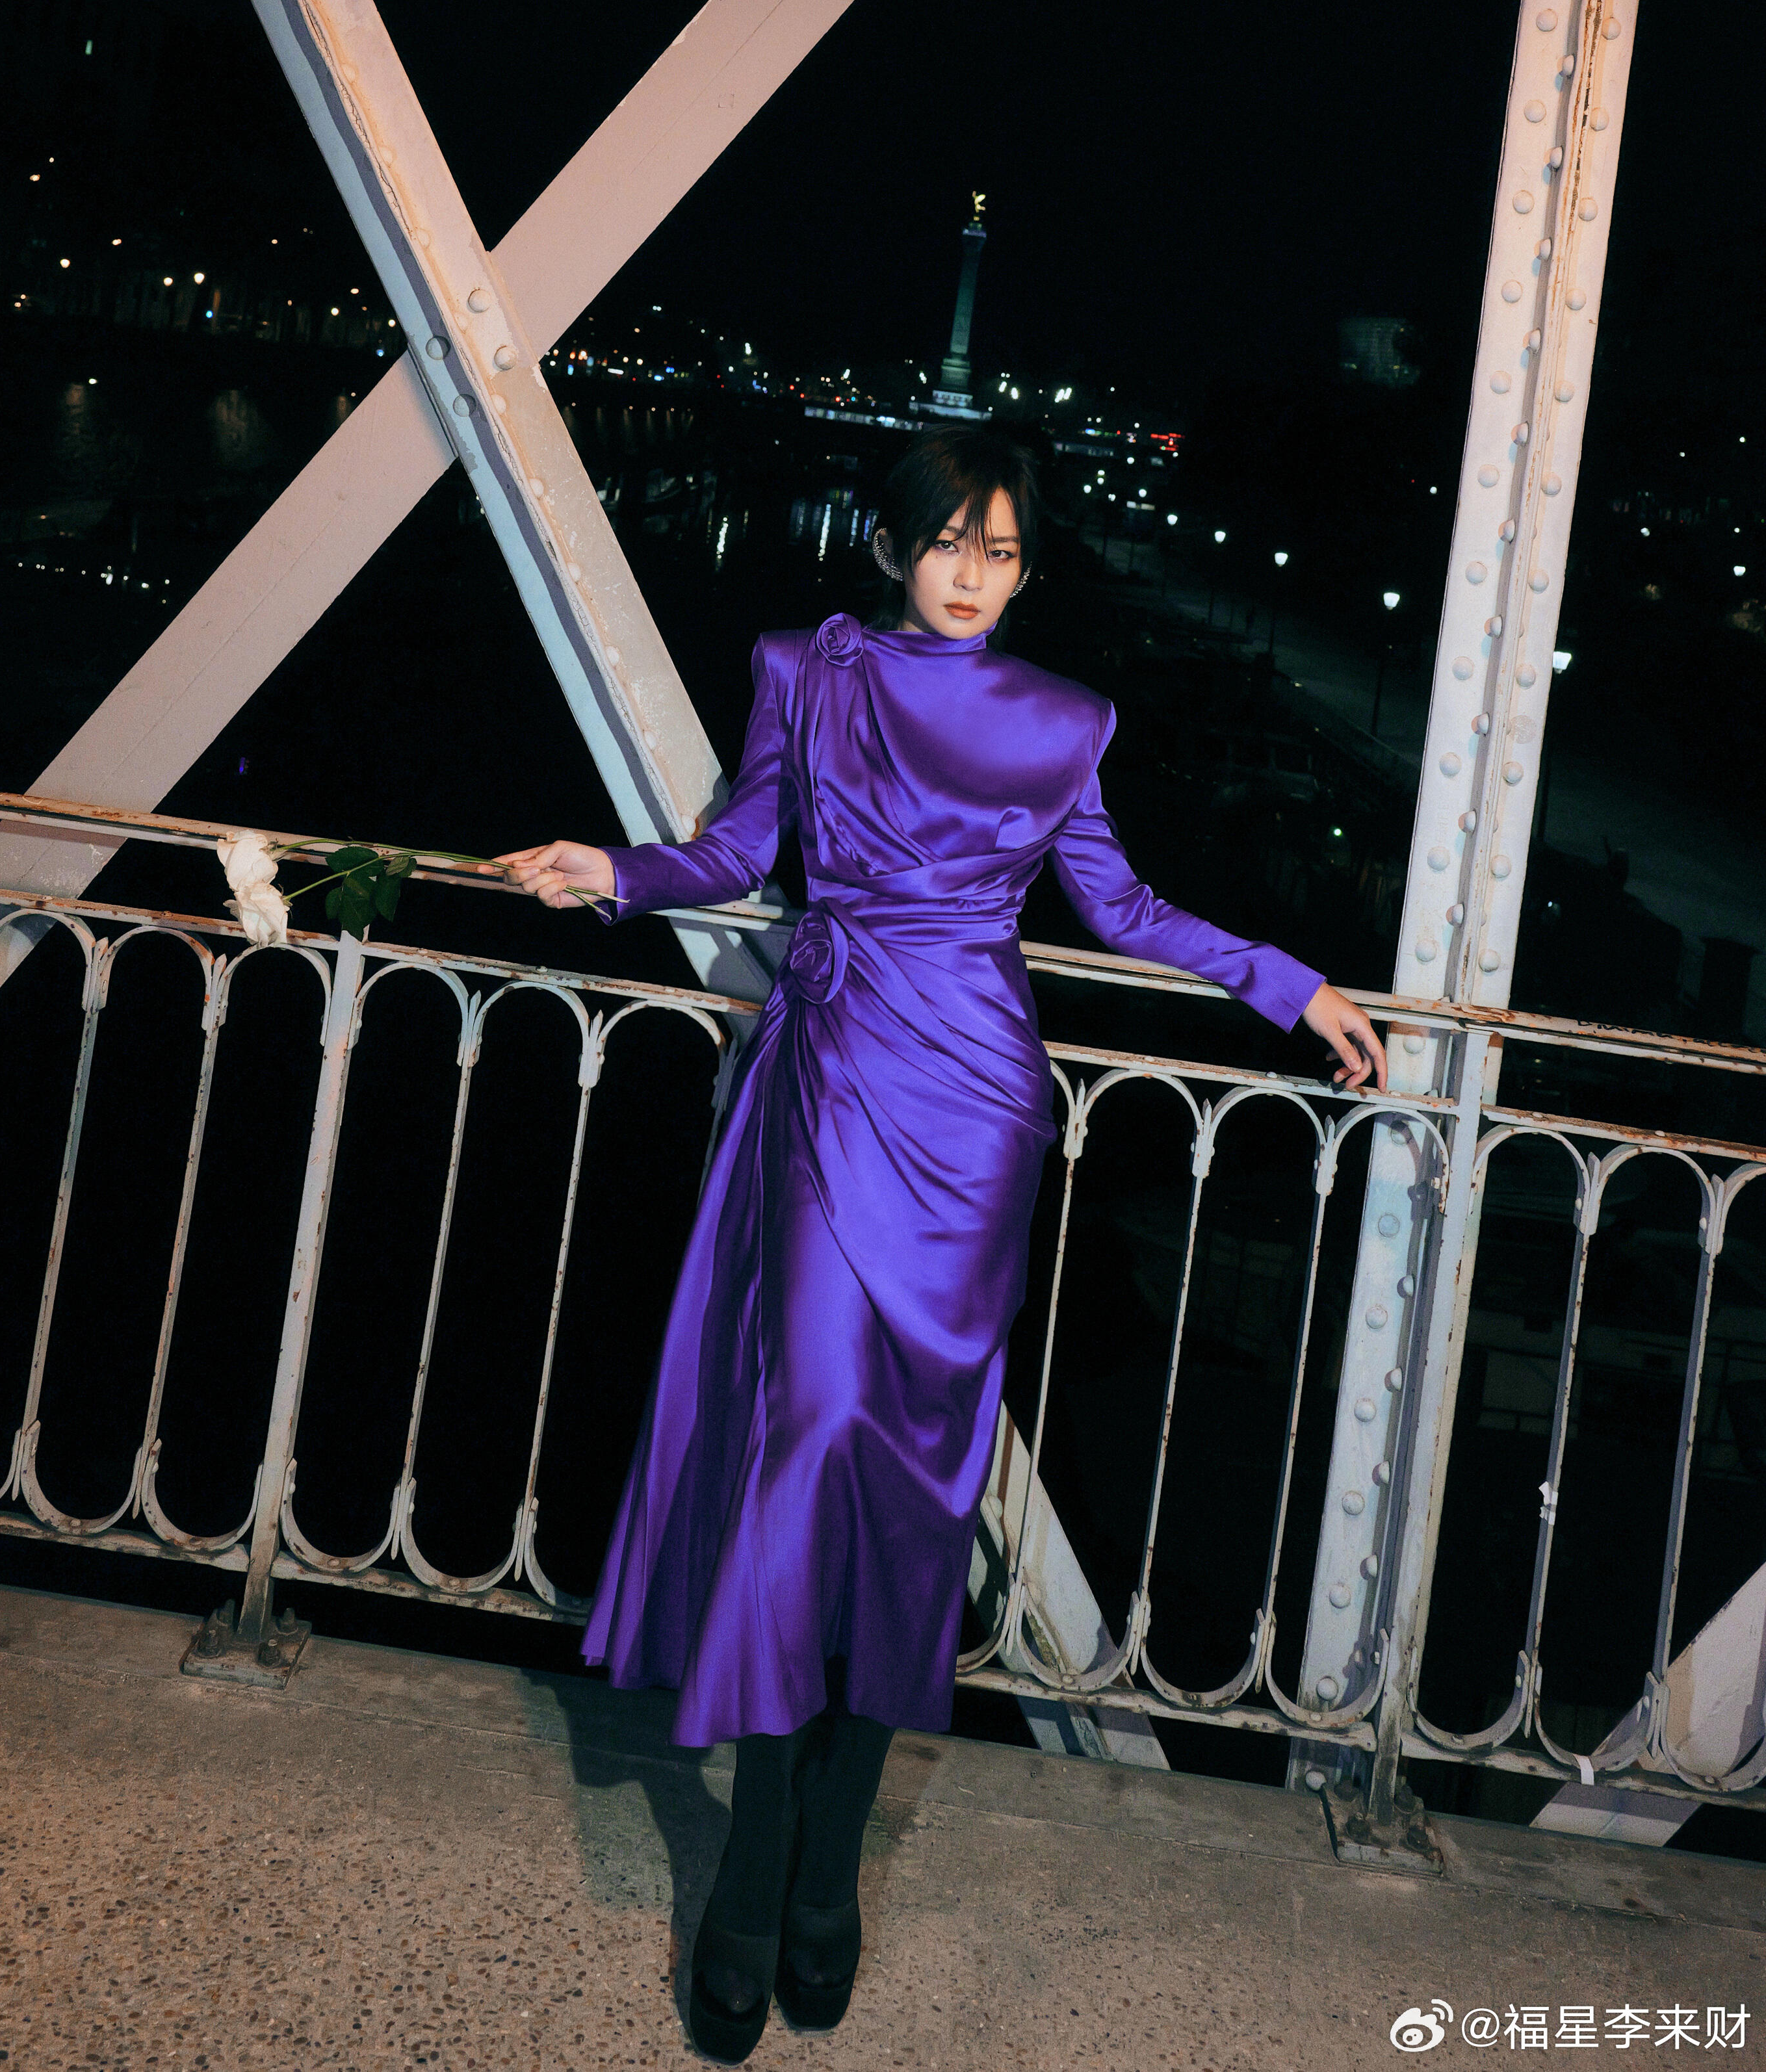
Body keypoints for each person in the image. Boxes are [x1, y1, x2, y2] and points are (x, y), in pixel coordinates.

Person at [496, 427, 1384, 2060]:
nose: (974, 575)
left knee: (914, 1485)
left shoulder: (1065, 720)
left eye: (1004, 552)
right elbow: (740, 850)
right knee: (810, 1441)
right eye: (950, 543)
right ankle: (759, 1857)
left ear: (1027, 569)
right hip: (833, 1083)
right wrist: (613, 870)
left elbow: (1120, 908)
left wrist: (1287, 980)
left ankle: (829, 1858)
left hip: (976, 1109)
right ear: (894, 544)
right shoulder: (803, 670)